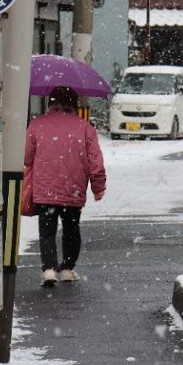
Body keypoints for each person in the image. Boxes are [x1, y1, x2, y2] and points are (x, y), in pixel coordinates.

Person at [24, 86, 106, 286]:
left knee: (47, 231)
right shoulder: (85, 127)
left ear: (50, 102)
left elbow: (27, 157)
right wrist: (98, 186)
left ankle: (50, 269)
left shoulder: (37, 124)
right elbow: (95, 161)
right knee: (71, 228)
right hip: (73, 187)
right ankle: (68, 268)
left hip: (45, 188)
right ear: (74, 104)